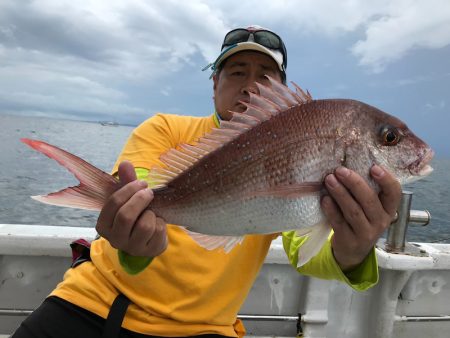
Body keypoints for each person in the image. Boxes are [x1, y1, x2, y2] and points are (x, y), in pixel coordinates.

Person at [12, 25, 401, 338]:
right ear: (214, 83)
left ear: (283, 91)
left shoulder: (297, 149)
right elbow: (140, 189)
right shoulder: (165, 128)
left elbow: (304, 246)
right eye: (236, 73)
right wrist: (134, 239)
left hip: (208, 329)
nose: (250, 86)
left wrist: (353, 250)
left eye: (265, 76)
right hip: (95, 305)